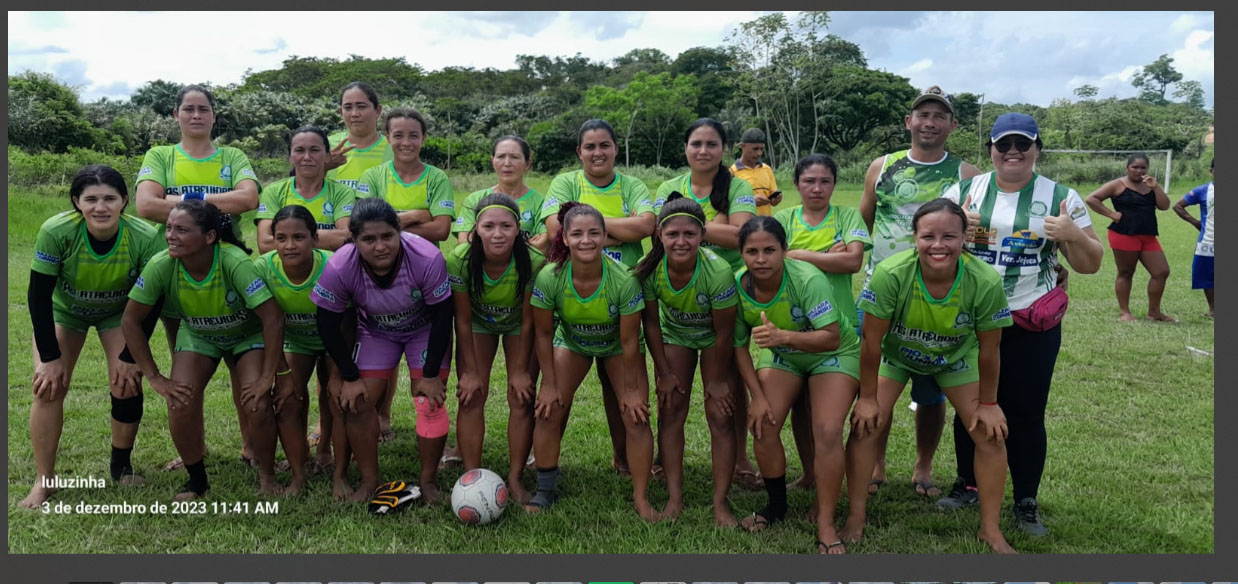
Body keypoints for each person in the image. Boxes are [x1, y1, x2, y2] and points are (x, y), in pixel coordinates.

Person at [940, 112, 1103, 536]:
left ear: (1036, 149)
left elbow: (1090, 265)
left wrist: (1071, 234)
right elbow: (930, 246)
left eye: (1022, 144)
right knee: (969, 407)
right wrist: (955, 228)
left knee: (1028, 413)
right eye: (1004, 144)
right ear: (991, 149)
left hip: (1031, 320)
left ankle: (1026, 500)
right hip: (971, 319)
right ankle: (968, 484)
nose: (1013, 152)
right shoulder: (963, 191)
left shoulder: (1061, 197)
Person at [849, 198, 1015, 554]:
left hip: (954, 359)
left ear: (964, 238)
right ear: (915, 238)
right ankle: (855, 516)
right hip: (896, 356)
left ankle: (990, 529)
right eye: (928, 236)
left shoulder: (984, 280)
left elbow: (990, 349)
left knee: (990, 434)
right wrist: (866, 398)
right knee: (865, 425)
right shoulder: (892, 273)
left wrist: (988, 403)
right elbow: (871, 341)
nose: (938, 245)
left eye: (949, 237)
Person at [857, 85, 980, 499]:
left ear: (952, 125)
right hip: (883, 292)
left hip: (940, 297)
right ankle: (875, 465)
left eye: (939, 116)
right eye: (922, 115)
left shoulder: (967, 175)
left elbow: (982, 232)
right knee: (876, 384)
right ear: (909, 122)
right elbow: (863, 225)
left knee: (931, 393)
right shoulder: (883, 166)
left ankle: (923, 466)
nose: (929, 122)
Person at [134, 84, 262, 471]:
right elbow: (145, 205)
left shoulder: (233, 155)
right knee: (186, 361)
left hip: (225, 267)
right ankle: (194, 449)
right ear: (176, 115)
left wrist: (182, 203)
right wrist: (209, 203)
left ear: (214, 116)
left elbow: (249, 199)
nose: (196, 115)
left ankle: (252, 448)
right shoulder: (161, 156)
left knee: (243, 364)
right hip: (175, 270)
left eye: (203, 109)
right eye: (188, 109)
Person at [122, 199, 286, 500]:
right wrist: (156, 377)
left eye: (182, 230)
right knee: (179, 400)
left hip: (245, 336)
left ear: (209, 237)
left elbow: (272, 319)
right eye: (169, 228)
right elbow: (130, 321)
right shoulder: (162, 263)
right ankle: (196, 481)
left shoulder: (233, 261)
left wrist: (267, 377)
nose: (171, 235)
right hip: (200, 335)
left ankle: (267, 475)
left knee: (257, 402)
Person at [21, 165, 162, 509]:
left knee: (127, 383)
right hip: (65, 312)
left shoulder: (144, 236)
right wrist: (51, 358)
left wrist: (131, 358)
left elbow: (153, 300)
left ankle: (121, 467)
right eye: (91, 199)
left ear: (124, 201)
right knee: (49, 386)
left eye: (110, 198)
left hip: (119, 315)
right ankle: (45, 480)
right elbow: (38, 297)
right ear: (76, 202)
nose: (101, 207)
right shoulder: (57, 231)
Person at [731, 216, 863, 555]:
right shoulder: (737, 286)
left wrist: (782, 336)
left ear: (785, 250)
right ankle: (776, 506)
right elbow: (738, 347)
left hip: (831, 354)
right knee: (763, 423)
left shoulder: (808, 278)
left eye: (770, 250)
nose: (761, 259)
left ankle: (826, 521)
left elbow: (831, 337)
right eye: (752, 251)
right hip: (784, 357)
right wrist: (756, 398)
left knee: (829, 429)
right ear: (741, 254)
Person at [310, 198, 454, 503]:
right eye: (369, 239)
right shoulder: (340, 265)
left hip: (424, 330)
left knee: (429, 402)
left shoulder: (427, 258)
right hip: (376, 331)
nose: (380, 247)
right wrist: (348, 376)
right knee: (358, 401)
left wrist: (429, 376)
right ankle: (370, 482)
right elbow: (327, 324)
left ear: (399, 231)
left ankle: (428, 482)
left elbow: (443, 318)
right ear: (353, 239)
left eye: (387, 236)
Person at [535, 119, 655, 477]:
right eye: (590, 146)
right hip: (577, 295)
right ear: (579, 152)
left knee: (622, 390)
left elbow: (646, 226)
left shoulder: (632, 184)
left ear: (616, 148)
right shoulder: (565, 181)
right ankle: (546, 473)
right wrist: (615, 231)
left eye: (605, 145)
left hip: (624, 293)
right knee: (559, 391)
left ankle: (623, 460)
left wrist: (587, 223)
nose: (598, 152)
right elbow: (556, 230)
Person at [526, 202, 658, 522]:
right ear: (566, 239)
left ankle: (641, 497)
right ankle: (545, 490)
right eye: (578, 234)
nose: (586, 240)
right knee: (548, 409)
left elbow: (629, 340)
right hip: (573, 342)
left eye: (594, 233)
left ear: (605, 236)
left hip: (616, 346)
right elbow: (543, 335)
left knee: (636, 415)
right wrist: (550, 383)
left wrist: (630, 390)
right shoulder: (549, 277)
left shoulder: (624, 279)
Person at [654, 118, 762, 489]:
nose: (703, 151)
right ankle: (662, 458)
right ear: (685, 148)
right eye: (696, 143)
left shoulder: (739, 185)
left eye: (711, 144)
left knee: (728, 386)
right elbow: (662, 231)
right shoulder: (670, 186)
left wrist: (689, 222)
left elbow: (743, 237)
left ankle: (742, 459)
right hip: (681, 295)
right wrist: (715, 224)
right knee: (672, 390)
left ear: (724, 150)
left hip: (726, 289)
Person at [634, 193, 741, 524]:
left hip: (714, 340)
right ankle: (674, 497)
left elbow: (724, 333)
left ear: (703, 235)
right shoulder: (652, 270)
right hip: (676, 336)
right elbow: (651, 324)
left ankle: (720, 502)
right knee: (671, 411)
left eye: (689, 234)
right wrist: (664, 372)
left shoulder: (718, 271)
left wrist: (719, 380)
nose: (681, 242)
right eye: (672, 234)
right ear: (659, 236)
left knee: (720, 415)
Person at [773, 154, 871, 496]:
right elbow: (771, 261)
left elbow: (854, 261)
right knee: (799, 406)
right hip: (794, 323)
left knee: (827, 414)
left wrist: (799, 254)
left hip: (837, 328)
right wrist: (830, 257)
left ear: (835, 184)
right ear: (796, 184)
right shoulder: (783, 218)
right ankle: (811, 473)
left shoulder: (847, 215)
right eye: (809, 181)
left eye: (825, 181)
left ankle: (831, 475)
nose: (817, 188)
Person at [357, 107, 456, 445]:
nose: (406, 141)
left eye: (413, 134)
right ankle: (379, 421)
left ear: (423, 138)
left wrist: (389, 220)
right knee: (378, 360)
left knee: (425, 374)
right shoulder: (374, 176)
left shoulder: (436, 176)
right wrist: (417, 214)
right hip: (377, 277)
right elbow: (363, 226)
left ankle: (431, 434)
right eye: (398, 134)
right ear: (388, 138)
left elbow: (442, 229)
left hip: (422, 277)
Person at [445, 193, 546, 503]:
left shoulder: (534, 261)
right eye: (489, 226)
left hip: (518, 324)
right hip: (477, 323)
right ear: (476, 228)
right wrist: (471, 372)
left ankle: (516, 477)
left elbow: (530, 322)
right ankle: (471, 475)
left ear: (518, 228)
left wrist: (518, 371)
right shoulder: (459, 260)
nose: (498, 234)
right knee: (471, 394)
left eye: (506, 226)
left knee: (521, 396)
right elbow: (461, 320)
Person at [253, 205, 342, 493]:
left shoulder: (333, 265)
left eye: (299, 237)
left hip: (335, 340)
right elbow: (268, 324)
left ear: (315, 238)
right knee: (289, 398)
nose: (289, 245)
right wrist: (283, 372)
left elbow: (349, 323)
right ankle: (298, 472)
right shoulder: (263, 268)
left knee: (335, 396)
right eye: (281, 238)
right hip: (295, 341)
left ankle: (328, 455)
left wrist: (341, 370)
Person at [1085, 153, 1175, 322]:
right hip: (1123, 234)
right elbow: (1091, 199)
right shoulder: (1117, 185)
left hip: (1148, 235)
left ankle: (1154, 312)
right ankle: (1125, 312)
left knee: (1161, 271)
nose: (1139, 171)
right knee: (1126, 272)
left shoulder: (1150, 185)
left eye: (1143, 167)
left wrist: (1156, 187)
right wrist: (1111, 214)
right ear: (1127, 168)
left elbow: (1164, 206)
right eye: (1135, 167)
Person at [256, 126, 356, 253]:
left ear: (327, 156)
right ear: (290, 157)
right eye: (299, 150)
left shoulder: (342, 192)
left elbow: (345, 238)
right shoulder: (274, 192)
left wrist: (288, 238)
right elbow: (264, 244)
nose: (307, 157)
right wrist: (323, 238)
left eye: (314, 150)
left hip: (330, 270)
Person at [453, 135, 546, 243]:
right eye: (501, 156)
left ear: (528, 163)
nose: (507, 163)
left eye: (514, 157)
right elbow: (464, 243)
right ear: (492, 161)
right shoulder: (474, 200)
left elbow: (543, 245)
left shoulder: (541, 203)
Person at [325, 81, 393, 191]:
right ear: (340, 112)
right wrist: (324, 167)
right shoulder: (325, 146)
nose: (355, 114)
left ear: (378, 110)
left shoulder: (394, 148)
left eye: (361, 107)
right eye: (348, 107)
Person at [1172, 158, 1215, 317]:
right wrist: (1195, 222)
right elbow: (1177, 206)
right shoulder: (1203, 190)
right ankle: (1214, 310)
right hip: (1208, 241)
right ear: (1211, 171)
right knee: (1207, 276)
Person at [730, 128, 782, 217]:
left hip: (765, 224)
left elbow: (773, 201)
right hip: (744, 225)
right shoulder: (732, 172)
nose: (759, 153)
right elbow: (727, 203)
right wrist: (751, 201)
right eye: (755, 149)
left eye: (762, 149)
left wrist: (776, 199)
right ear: (743, 146)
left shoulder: (766, 169)